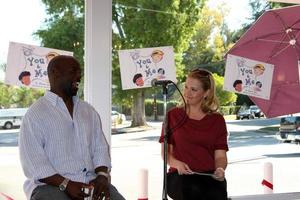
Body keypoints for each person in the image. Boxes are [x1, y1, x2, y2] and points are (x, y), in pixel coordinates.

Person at [19, 55, 125, 200]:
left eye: (79, 72)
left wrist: (101, 176)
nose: (79, 76)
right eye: (73, 71)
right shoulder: (35, 114)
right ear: (55, 73)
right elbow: (35, 164)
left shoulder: (88, 111)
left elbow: (100, 148)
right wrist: (66, 184)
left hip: (90, 183)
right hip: (51, 187)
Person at [159, 68, 228, 200]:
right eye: (186, 87)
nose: (187, 93)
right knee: (192, 188)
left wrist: (220, 169)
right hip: (179, 177)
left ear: (206, 93)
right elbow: (166, 154)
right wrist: (177, 164)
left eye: (194, 89)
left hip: (208, 176)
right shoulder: (172, 116)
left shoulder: (217, 120)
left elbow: (220, 156)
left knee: (217, 192)